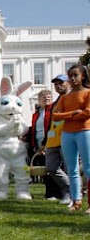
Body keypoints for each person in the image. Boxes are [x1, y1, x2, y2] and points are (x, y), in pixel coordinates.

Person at [52, 64, 90, 213]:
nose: (73, 78)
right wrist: (73, 113)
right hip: (67, 134)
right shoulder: (64, 97)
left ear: (83, 76)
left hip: (85, 131)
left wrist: (67, 115)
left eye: (76, 75)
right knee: (72, 169)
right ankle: (76, 201)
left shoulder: (87, 93)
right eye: (70, 76)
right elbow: (55, 116)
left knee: (88, 168)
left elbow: (87, 113)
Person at [28, 89, 63, 200]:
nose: (46, 99)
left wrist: (46, 144)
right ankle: (49, 193)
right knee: (45, 171)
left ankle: (55, 193)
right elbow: (34, 129)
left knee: (52, 169)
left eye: (48, 97)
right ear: (39, 100)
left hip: (51, 144)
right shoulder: (36, 114)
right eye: (44, 97)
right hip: (38, 145)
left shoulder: (53, 111)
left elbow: (51, 128)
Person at [43, 75, 71, 204]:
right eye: (56, 84)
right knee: (51, 167)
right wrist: (44, 143)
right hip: (53, 141)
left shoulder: (73, 98)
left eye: (61, 83)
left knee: (70, 168)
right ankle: (70, 189)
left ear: (68, 83)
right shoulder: (55, 103)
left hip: (68, 137)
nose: (58, 86)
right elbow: (51, 123)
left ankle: (70, 194)